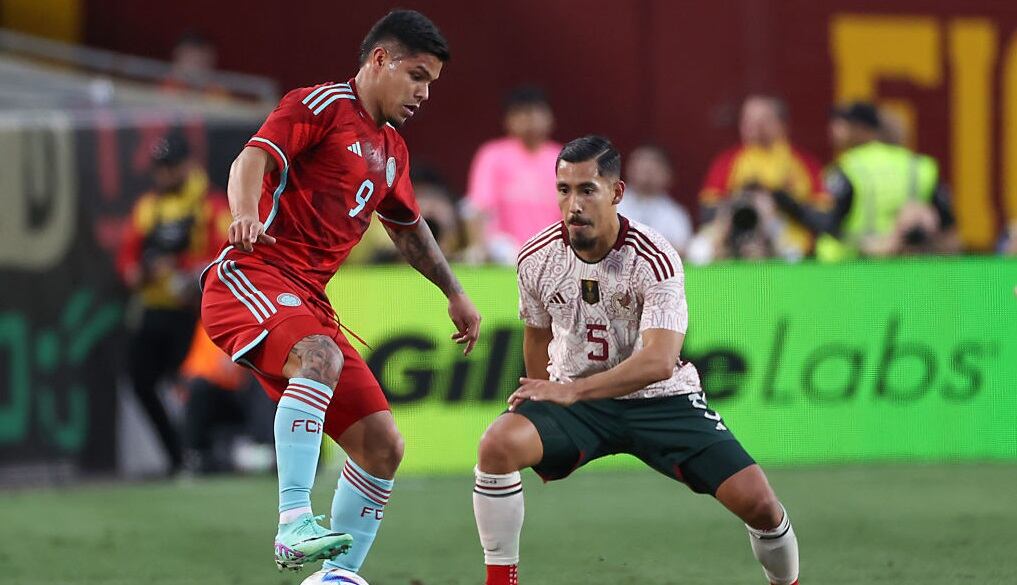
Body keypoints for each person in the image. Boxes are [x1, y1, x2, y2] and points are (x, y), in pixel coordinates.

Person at [198, 10, 482, 578]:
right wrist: (245, 213)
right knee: (320, 357)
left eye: (431, 82)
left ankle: (335, 576)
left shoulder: (392, 151)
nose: (424, 94)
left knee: (383, 445)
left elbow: (409, 229)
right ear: (380, 60)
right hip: (250, 275)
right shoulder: (320, 106)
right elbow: (252, 157)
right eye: (417, 76)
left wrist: (454, 292)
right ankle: (293, 522)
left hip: (308, 300)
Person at [472, 136, 800, 585]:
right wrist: (542, 391)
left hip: (660, 401)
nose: (573, 205)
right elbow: (537, 332)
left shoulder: (654, 257)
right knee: (496, 446)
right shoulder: (536, 257)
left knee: (761, 505)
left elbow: (659, 362)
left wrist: (573, 391)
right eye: (564, 190)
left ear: (616, 192)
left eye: (587, 189)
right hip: (579, 404)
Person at [117, 134, 231, 475]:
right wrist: (141, 272)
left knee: (192, 383)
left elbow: (225, 254)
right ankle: (177, 454)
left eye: (170, 167)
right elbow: (128, 260)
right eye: (160, 168)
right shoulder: (148, 208)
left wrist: (184, 272)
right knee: (141, 380)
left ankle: (199, 449)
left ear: (186, 165)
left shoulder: (209, 204)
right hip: (155, 308)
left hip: (195, 312)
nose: (164, 174)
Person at [771, 101, 959, 261]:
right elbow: (950, 235)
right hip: (905, 270)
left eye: (843, 124)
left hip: (848, 270)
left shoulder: (848, 166)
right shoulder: (920, 167)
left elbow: (829, 223)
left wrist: (791, 206)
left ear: (863, 129)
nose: (835, 130)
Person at [699, 95, 825, 260]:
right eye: (747, 119)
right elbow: (707, 212)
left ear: (782, 124)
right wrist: (740, 201)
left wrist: (779, 200)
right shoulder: (727, 162)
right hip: (735, 244)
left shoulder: (804, 163)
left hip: (791, 248)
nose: (754, 125)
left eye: (763, 119)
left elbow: (823, 218)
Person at [464, 86, 562, 264]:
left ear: (550, 118)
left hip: (553, 254)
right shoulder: (493, 155)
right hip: (505, 253)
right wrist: (478, 248)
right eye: (522, 113)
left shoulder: (564, 159)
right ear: (508, 120)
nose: (530, 120)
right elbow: (478, 207)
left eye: (536, 112)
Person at [617, 144, 693, 253]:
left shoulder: (676, 215)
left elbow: (682, 251)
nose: (647, 171)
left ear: (668, 174)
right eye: (641, 164)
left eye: (653, 166)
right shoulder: (611, 203)